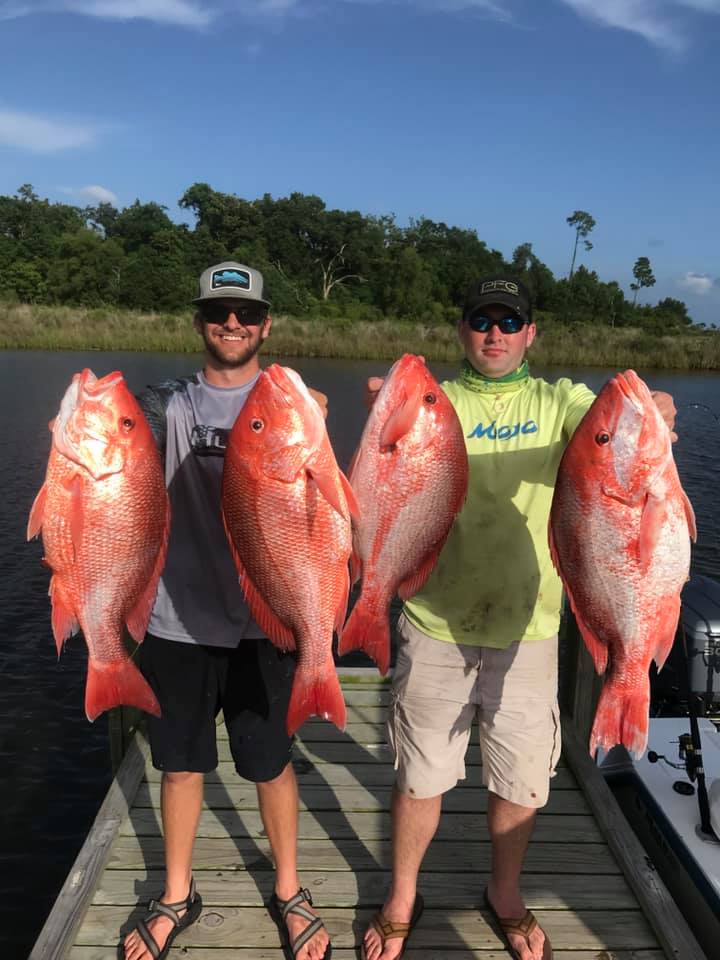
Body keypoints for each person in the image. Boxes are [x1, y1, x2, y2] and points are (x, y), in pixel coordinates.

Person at [361, 277, 677, 960]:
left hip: (530, 628)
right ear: (462, 329)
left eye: (510, 322)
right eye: (482, 320)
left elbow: (610, 426)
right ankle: (402, 895)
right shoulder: (436, 402)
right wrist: (383, 417)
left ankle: (504, 892)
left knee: (521, 780)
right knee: (419, 775)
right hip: (434, 620)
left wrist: (655, 409)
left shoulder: (561, 403)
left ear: (531, 333)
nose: (495, 334)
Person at [123, 261, 331, 960]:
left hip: (263, 623)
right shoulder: (171, 405)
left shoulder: (297, 408)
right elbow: (120, 450)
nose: (232, 323)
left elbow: (335, 511)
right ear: (200, 322)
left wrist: (317, 425)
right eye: (218, 312)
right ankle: (176, 893)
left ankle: (289, 890)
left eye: (246, 313)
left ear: (266, 325)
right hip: (176, 621)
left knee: (270, 763)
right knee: (180, 766)